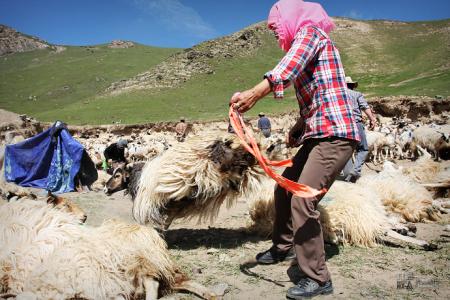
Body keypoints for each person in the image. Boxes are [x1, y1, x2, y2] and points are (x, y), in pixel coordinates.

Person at [230, 1, 359, 298]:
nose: (272, 30)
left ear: (289, 18)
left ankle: (318, 278)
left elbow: (288, 67)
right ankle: (285, 247)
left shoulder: (310, 33)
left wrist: (255, 93)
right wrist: (300, 125)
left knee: (303, 198)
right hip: (318, 133)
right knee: (284, 189)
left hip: (335, 134)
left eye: (275, 24)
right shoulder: (307, 43)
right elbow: (320, 92)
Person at [341, 76, 377, 182]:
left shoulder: (339, 95)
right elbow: (364, 106)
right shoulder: (357, 94)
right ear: (352, 85)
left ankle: (347, 174)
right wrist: (372, 119)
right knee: (363, 149)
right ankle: (355, 170)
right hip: (356, 123)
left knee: (346, 149)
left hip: (343, 125)